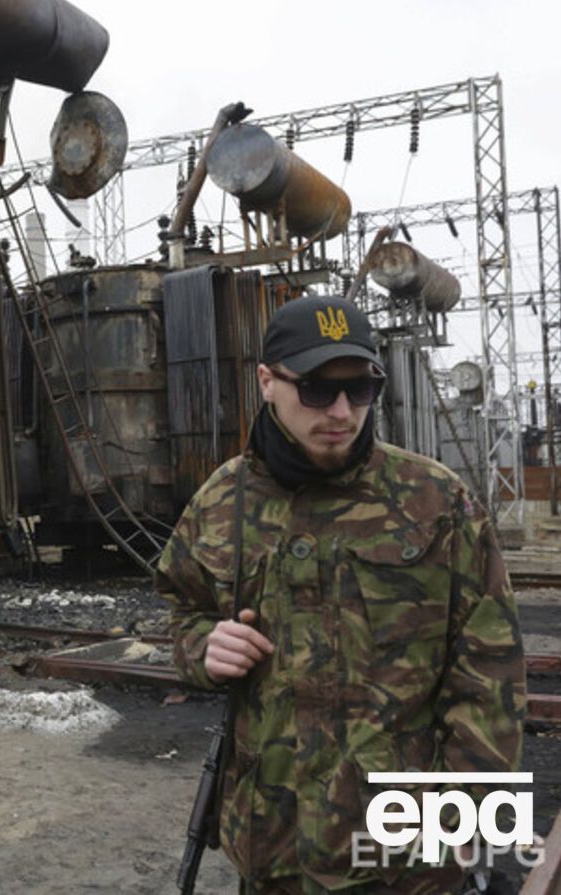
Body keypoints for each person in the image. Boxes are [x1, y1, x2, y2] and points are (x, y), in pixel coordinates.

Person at [155, 294, 526, 894]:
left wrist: (457, 830)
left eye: (360, 389)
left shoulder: (435, 503)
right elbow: (182, 610)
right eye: (319, 390)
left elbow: (491, 680)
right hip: (271, 849)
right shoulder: (224, 503)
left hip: (403, 861)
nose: (342, 410)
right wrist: (204, 648)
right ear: (267, 383)